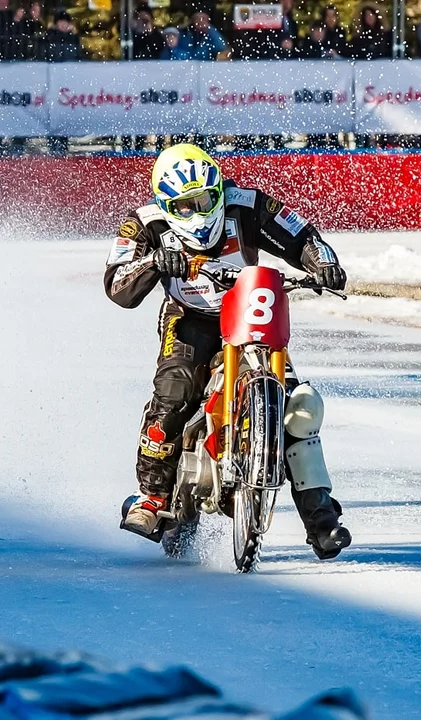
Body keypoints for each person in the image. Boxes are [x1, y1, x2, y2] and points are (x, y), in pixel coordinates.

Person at [104, 144, 351, 560]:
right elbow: (117, 284)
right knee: (174, 393)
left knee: (300, 407)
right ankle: (152, 498)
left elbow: (303, 234)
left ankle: (322, 521)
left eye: (205, 199)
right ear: (165, 204)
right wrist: (154, 264)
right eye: (185, 205)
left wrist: (323, 262)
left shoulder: (248, 204)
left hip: (251, 309)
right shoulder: (142, 224)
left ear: (220, 188)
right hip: (189, 318)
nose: (198, 212)